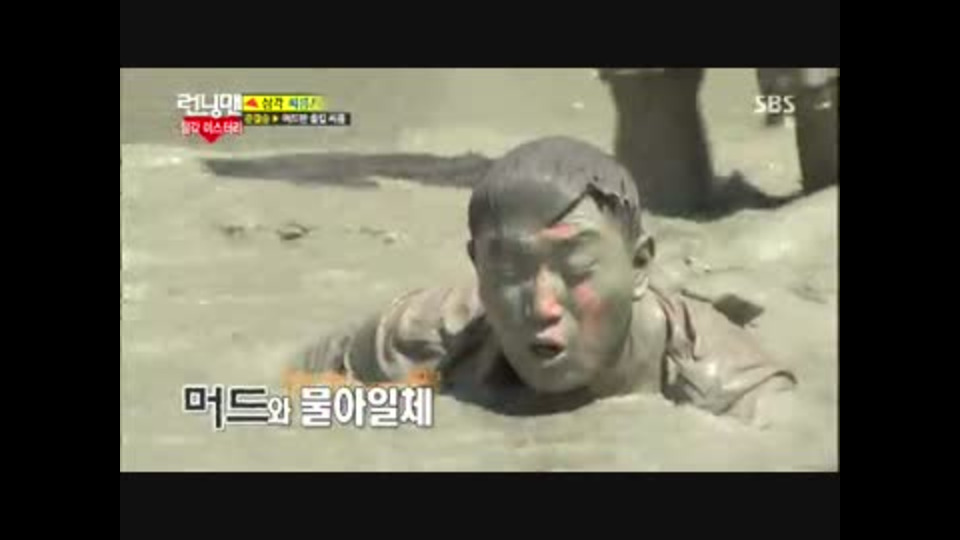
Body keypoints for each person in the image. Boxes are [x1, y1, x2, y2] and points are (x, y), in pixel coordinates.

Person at [284, 137, 797, 424]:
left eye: (576, 269)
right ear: (478, 267)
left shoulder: (735, 394)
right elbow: (281, 389)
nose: (541, 305)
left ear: (640, 265)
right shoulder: (424, 336)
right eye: (509, 271)